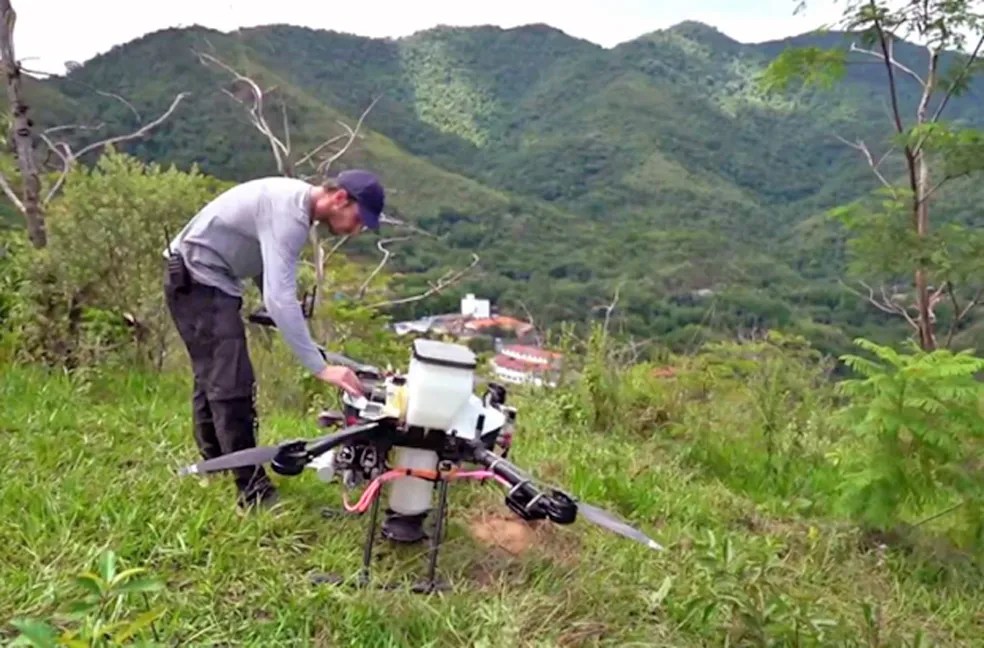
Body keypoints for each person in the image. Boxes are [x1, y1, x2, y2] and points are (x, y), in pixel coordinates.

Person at [163, 170, 382, 511]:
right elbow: (281, 297)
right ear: (339, 198)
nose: (355, 230)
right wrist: (320, 368)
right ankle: (252, 493)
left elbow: (260, 262)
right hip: (199, 279)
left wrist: (272, 304)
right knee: (232, 385)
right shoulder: (290, 215)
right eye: (357, 219)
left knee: (214, 377)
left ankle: (215, 462)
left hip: (202, 278)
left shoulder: (294, 204)